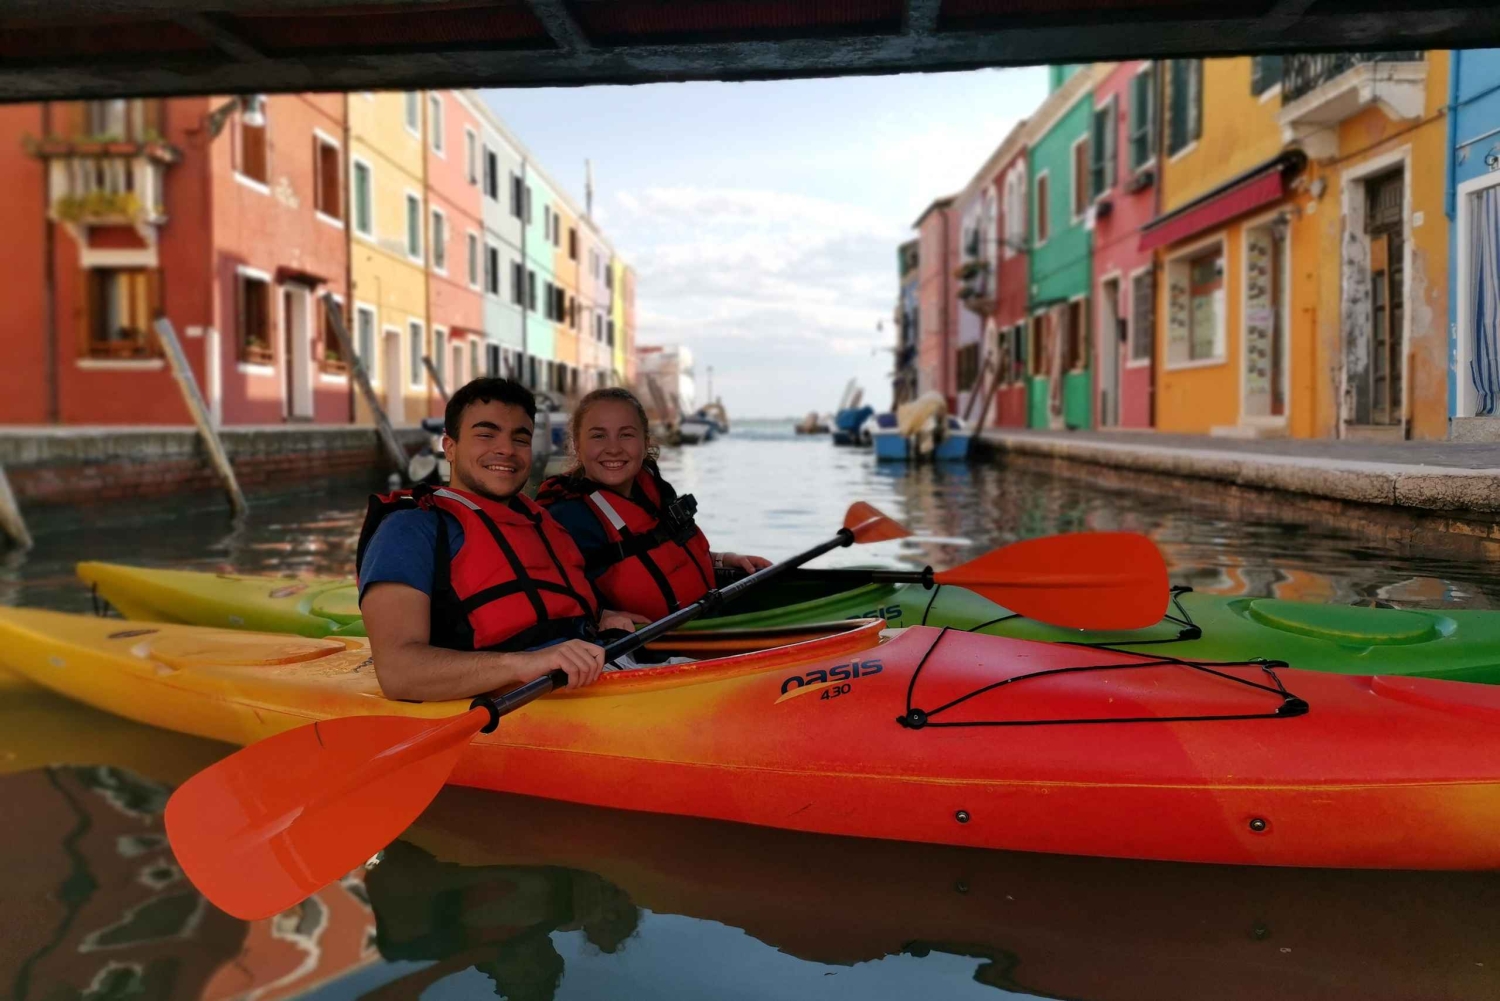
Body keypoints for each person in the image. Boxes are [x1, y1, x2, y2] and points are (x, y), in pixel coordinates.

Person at [357, 378, 638, 701]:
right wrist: (527, 663)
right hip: (520, 702)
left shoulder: (542, 522)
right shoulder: (410, 528)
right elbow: (398, 672)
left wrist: (602, 615)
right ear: (449, 446)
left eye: (520, 438)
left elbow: (553, 603)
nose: (506, 449)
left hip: (604, 672)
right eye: (486, 434)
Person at [536, 387, 771, 622]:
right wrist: (601, 617)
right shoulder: (568, 516)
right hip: (650, 648)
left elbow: (668, 556)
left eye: (626, 434)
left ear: (645, 441)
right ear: (577, 444)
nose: (614, 448)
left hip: (705, 619)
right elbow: (546, 597)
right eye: (599, 436)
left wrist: (723, 560)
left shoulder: (655, 489)